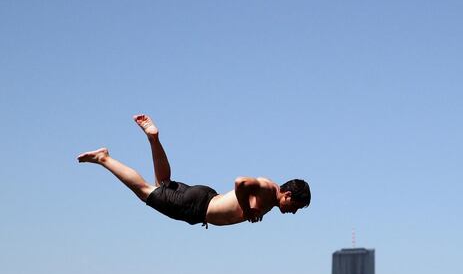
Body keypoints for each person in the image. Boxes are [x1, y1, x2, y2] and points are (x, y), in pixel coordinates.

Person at [77, 115, 310, 227]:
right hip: (199, 207)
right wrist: (249, 210)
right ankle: (104, 158)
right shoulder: (268, 188)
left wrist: (250, 210)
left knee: (163, 183)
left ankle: (153, 138)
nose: (294, 212)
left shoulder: (270, 198)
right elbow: (240, 182)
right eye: (296, 207)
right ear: (288, 195)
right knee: (145, 191)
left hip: (205, 199)